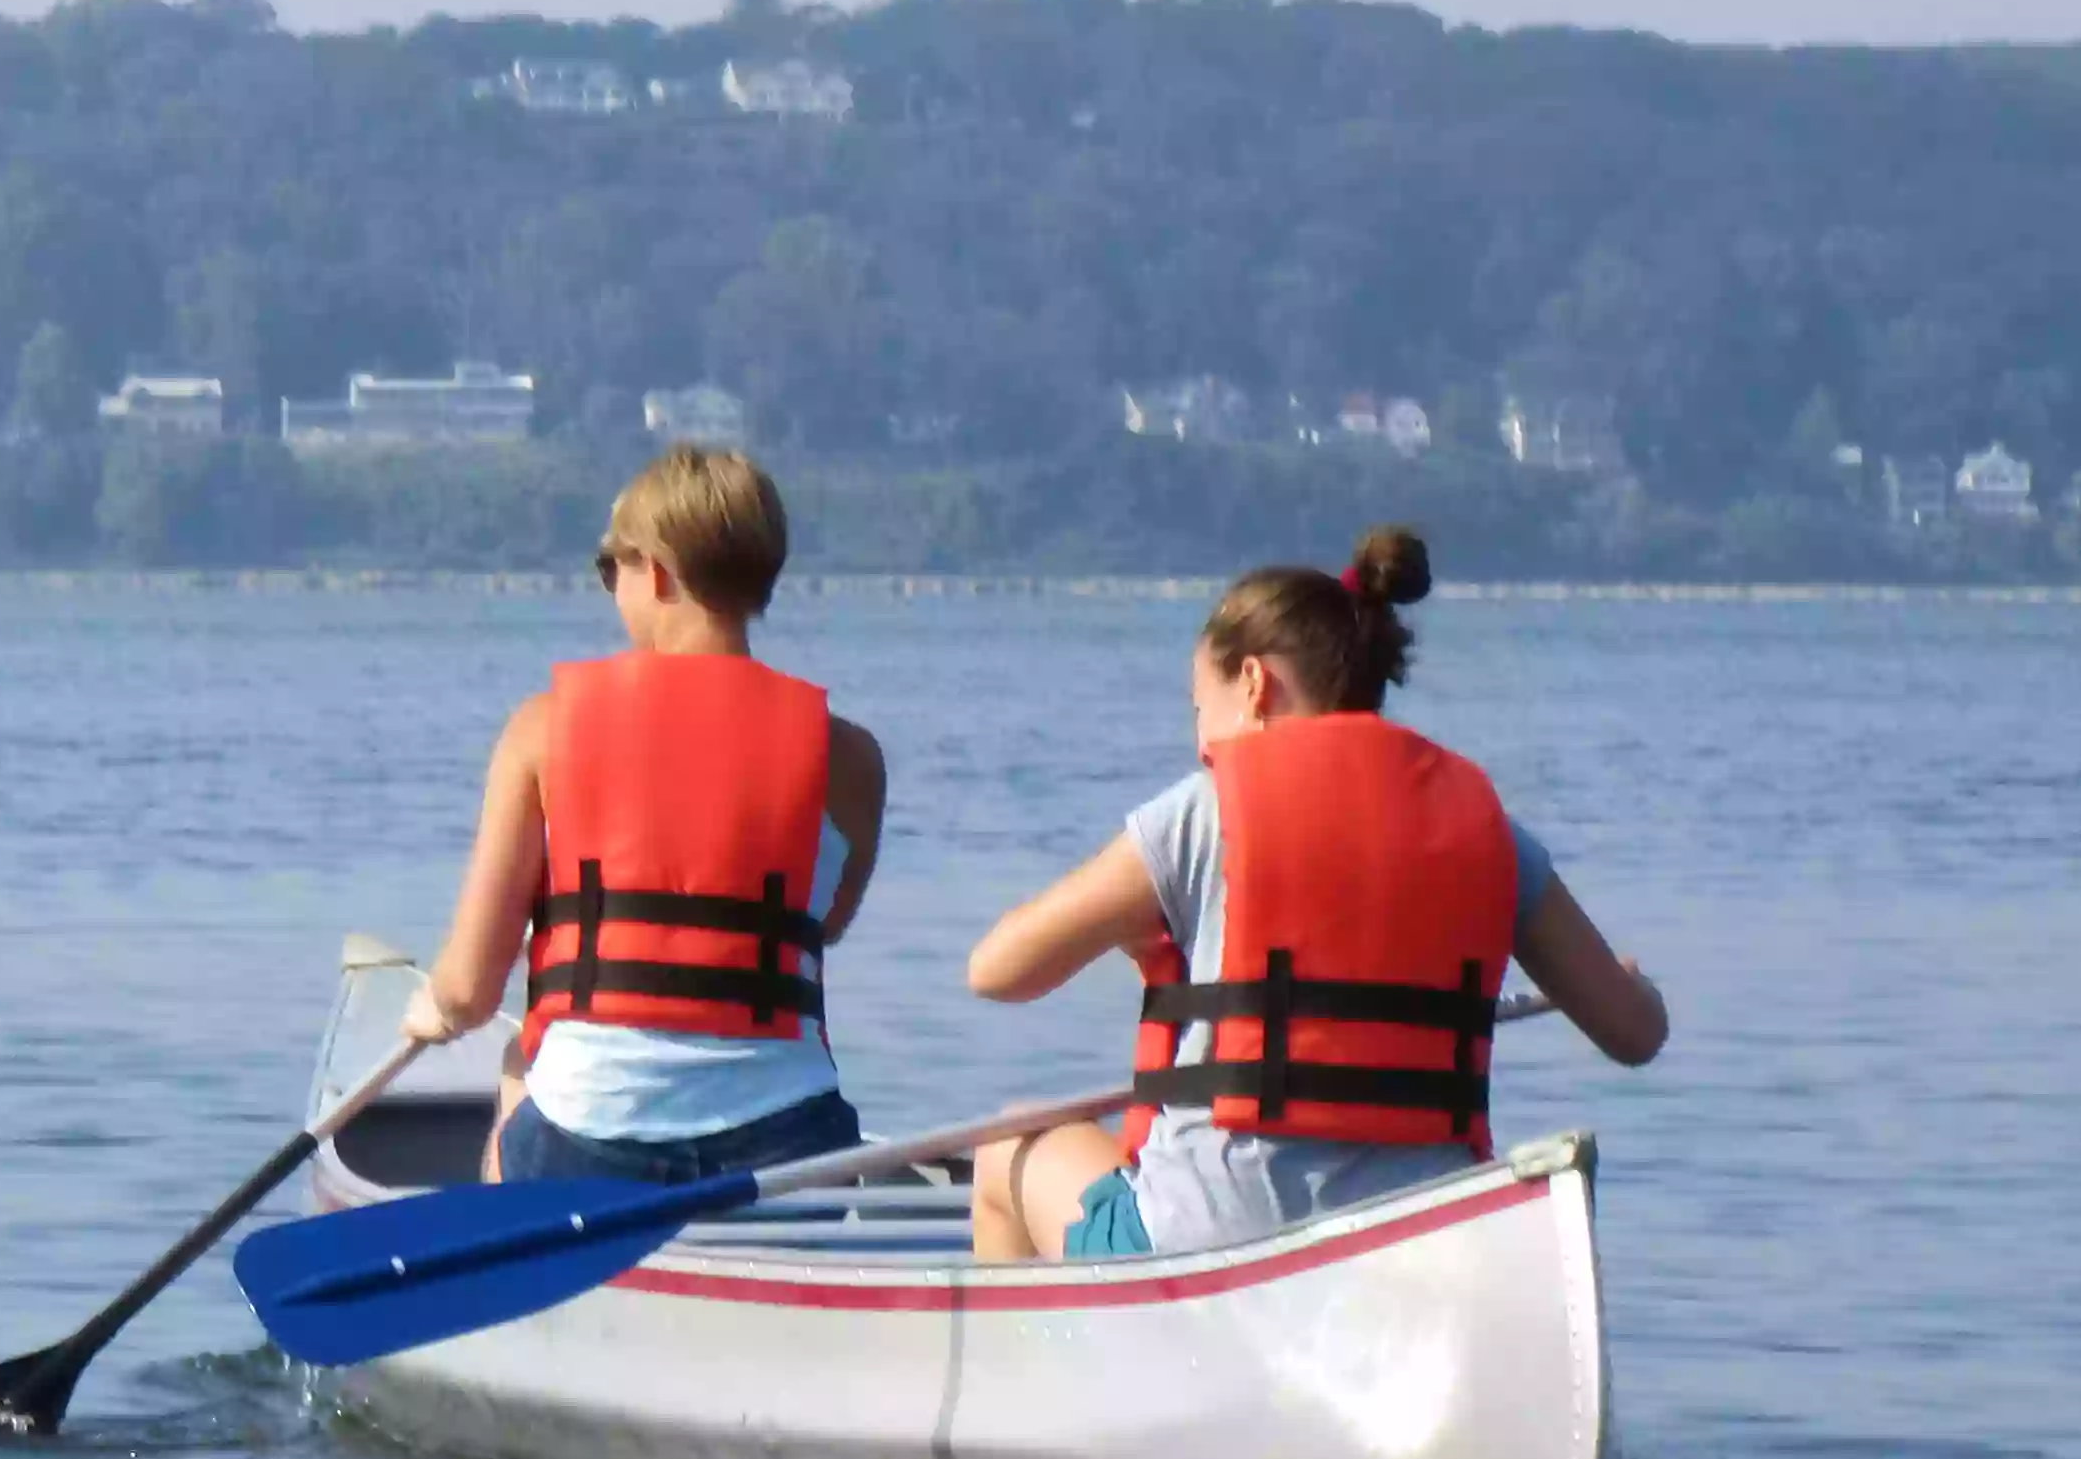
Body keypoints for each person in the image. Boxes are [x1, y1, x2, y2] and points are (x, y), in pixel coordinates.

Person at [962, 528, 1664, 1261]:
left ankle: (1035, 1371)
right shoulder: (1489, 829)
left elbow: (996, 972)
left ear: (1255, 685)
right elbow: (1637, 1035)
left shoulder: (1203, 812)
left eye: (1200, 707)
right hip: (1419, 1241)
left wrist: (1127, 927)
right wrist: (1630, 987)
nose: (1200, 740)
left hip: (1210, 1238)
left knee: (1005, 1146)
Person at [399, 443, 888, 1189]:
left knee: (515, 1065)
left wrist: (431, 1010)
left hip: (589, 1143)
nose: (610, 588)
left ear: (655, 571)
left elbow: (469, 989)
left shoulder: (542, 730)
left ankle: (533, 1269)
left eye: (610, 568)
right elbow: (821, 926)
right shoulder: (852, 759)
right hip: (792, 1148)